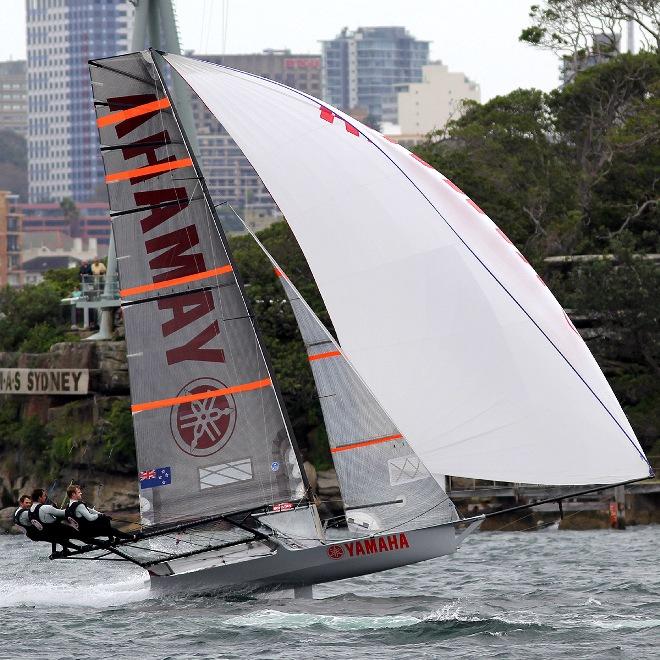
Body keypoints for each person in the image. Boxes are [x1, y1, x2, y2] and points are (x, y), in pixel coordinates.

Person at [65, 484, 134, 544]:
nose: (81, 493)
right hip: (88, 532)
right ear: (73, 494)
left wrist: (102, 514)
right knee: (111, 529)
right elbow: (90, 518)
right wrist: (100, 516)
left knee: (105, 520)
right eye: (79, 492)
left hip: (82, 531)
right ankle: (133, 537)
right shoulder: (79, 505)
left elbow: (90, 510)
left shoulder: (69, 506)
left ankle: (111, 539)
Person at [29, 488, 75, 555]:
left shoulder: (34, 508)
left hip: (46, 529)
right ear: (39, 497)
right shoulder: (44, 507)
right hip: (51, 526)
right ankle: (66, 550)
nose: (45, 497)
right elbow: (59, 513)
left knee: (55, 531)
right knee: (61, 529)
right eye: (44, 496)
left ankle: (54, 551)